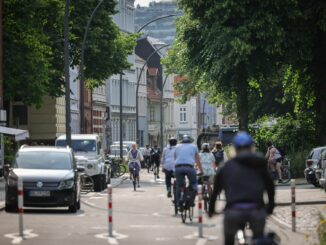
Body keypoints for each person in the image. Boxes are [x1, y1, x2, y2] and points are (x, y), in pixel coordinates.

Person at [208, 132, 275, 245]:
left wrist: (211, 210)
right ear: (251, 147)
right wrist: (270, 207)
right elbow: (270, 187)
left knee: (229, 240)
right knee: (259, 238)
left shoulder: (226, 166)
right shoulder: (259, 163)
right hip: (256, 211)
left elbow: (215, 191)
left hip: (233, 212)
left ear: (234, 148)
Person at [174, 135, 203, 209]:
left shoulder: (177, 147)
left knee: (179, 185)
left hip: (178, 168)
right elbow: (197, 160)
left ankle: (178, 203)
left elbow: (175, 158)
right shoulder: (194, 147)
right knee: (193, 183)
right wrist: (201, 170)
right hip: (189, 167)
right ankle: (191, 200)